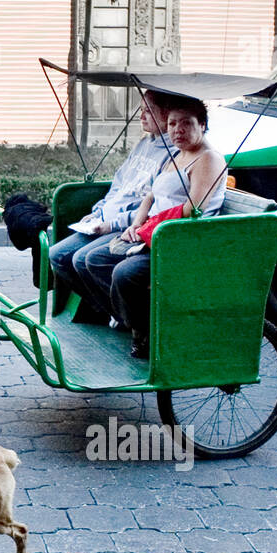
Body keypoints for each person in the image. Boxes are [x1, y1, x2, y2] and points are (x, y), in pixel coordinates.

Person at [77, 95, 227, 358]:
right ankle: (138, 321)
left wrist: (150, 226)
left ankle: (143, 331)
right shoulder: (177, 156)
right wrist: (135, 225)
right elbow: (150, 196)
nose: (177, 130)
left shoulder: (208, 158)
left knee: (124, 274)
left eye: (186, 124)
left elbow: (193, 209)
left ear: (202, 125)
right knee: (93, 260)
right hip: (151, 235)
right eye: (171, 124)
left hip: (178, 242)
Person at [49, 90, 175, 312]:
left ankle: (128, 317)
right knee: (57, 255)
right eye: (141, 110)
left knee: (81, 259)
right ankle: (111, 310)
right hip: (103, 220)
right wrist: (98, 210)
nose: (141, 116)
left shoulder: (173, 153)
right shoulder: (143, 144)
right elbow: (118, 184)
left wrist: (113, 223)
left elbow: (152, 203)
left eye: (148, 111)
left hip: (125, 226)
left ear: (166, 115)